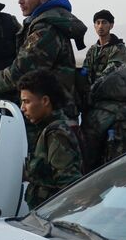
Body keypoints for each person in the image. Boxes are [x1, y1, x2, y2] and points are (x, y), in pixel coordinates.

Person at [18, 69, 82, 208]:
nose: (22, 108)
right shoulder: (45, 129)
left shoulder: (56, 134)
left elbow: (68, 184)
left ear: (45, 101)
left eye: (26, 101)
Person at [82, 10, 126, 87]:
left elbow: (111, 73)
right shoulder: (92, 50)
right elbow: (86, 70)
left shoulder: (118, 48)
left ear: (111, 25)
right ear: (94, 26)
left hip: (113, 91)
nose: (100, 26)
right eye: (98, 23)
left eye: (104, 22)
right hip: (94, 91)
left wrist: (93, 87)